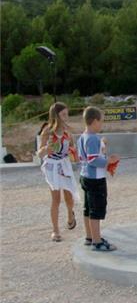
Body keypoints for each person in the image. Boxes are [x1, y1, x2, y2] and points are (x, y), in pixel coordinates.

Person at [77, 106, 120, 251]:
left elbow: (85, 157)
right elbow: (93, 160)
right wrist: (109, 161)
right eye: (101, 121)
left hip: (85, 176)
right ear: (94, 121)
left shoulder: (83, 136)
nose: (102, 124)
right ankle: (97, 241)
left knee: (88, 208)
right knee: (96, 209)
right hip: (95, 179)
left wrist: (102, 146)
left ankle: (89, 237)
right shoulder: (93, 138)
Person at [37, 102, 79, 242]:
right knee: (56, 199)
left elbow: (73, 148)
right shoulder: (47, 131)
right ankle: (55, 230)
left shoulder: (68, 131)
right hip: (51, 166)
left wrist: (73, 153)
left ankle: (70, 214)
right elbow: (39, 153)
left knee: (68, 197)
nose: (66, 117)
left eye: (67, 113)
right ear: (56, 116)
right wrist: (45, 150)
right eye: (63, 114)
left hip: (64, 165)